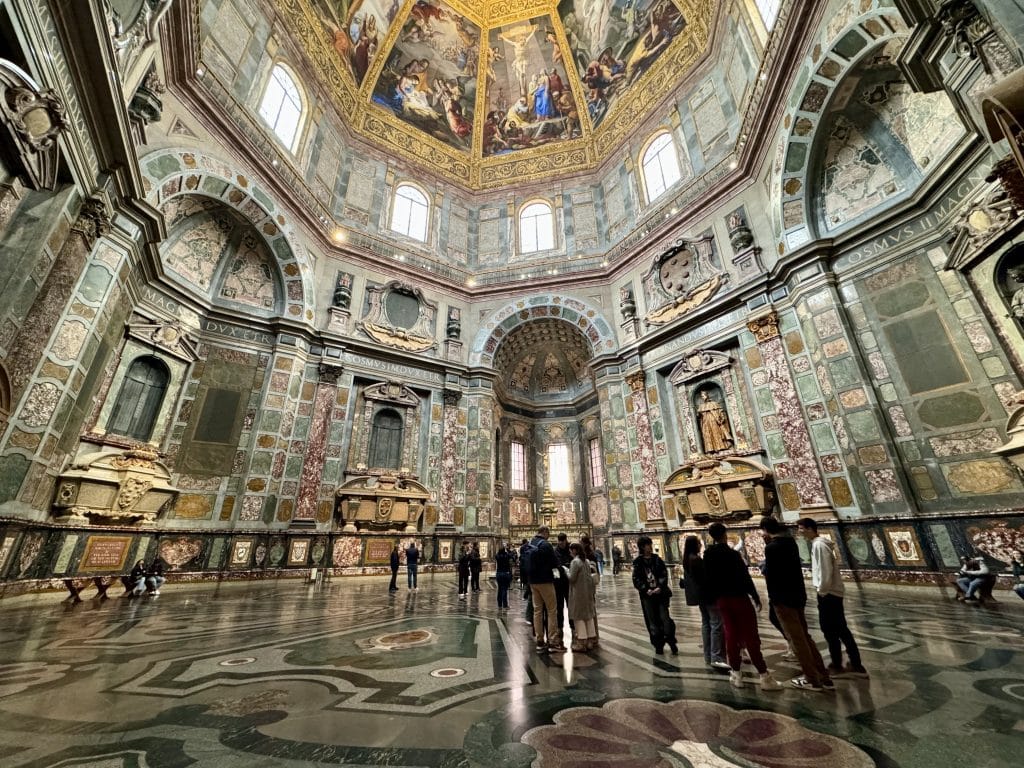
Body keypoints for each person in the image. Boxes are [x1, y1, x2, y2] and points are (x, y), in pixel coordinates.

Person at [703, 522, 783, 691]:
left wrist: (713, 597)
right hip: (739, 598)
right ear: (725, 534)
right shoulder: (732, 555)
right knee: (750, 635)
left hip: (722, 600)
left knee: (730, 635)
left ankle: (736, 674)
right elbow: (744, 577)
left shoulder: (708, 554)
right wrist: (755, 596)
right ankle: (764, 676)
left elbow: (708, 578)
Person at [759, 517, 832, 692]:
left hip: (782, 598)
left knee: (797, 640)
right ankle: (823, 675)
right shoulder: (791, 543)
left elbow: (771, 574)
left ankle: (812, 679)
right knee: (805, 636)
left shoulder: (772, 548)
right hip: (798, 595)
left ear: (765, 529)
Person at [797, 518, 869, 679]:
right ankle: (848, 663)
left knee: (832, 629)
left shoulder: (819, 545)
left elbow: (824, 570)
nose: (799, 531)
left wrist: (822, 590)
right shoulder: (819, 544)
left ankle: (844, 664)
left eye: (801, 528)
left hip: (828, 593)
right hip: (830, 592)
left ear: (810, 529)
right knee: (837, 629)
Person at [681, 535, 728, 670]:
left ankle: (708, 656)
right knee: (716, 624)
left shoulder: (687, 559)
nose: (700, 545)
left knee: (706, 624)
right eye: (698, 543)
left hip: (699, 596)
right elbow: (705, 579)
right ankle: (716, 657)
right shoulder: (696, 560)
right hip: (708, 596)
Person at [631, 535, 678, 655]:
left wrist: (660, 587)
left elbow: (663, 574)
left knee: (665, 618)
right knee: (652, 620)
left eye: (650, 544)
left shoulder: (657, 559)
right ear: (642, 547)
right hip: (647, 596)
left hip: (660, 594)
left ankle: (671, 640)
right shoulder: (638, 563)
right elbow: (636, 579)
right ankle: (658, 644)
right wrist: (645, 589)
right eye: (647, 545)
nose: (650, 547)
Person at [528, 526, 565, 653]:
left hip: (532, 582)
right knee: (551, 610)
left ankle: (539, 640)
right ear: (545, 532)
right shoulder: (546, 545)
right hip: (545, 581)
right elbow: (555, 563)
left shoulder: (530, 543)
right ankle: (552, 640)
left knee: (537, 611)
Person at [568, 542, 597, 651]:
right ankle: (590, 640)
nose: (570, 552)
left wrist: (565, 571)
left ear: (575, 550)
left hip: (578, 593)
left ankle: (581, 642)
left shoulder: (575, 562)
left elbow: (572, 578)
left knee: (578, 617)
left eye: (571, 550)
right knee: (588, 617)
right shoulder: (586, 561)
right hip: (587, 592)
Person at [554, 532, 572, 635]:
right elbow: (554, 568)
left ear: (565, 540)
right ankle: (559, 627)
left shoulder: (570, 550)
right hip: (559, 583)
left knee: (571, 606)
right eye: (559, 542)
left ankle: (573, 627)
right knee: (559, 607)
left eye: (562, 542)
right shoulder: (555, 551)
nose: (561, 543)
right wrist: (557, 578)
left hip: (569, 582)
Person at [495, 543, 513, 609]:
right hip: (505, 573)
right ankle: (505, 605)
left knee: (499, 589)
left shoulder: (497, 556)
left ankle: (499, 604)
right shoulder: (507, 555)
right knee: (504, 589)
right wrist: (507, 550)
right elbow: (511, 556)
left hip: (499, 573)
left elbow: (497, 554)